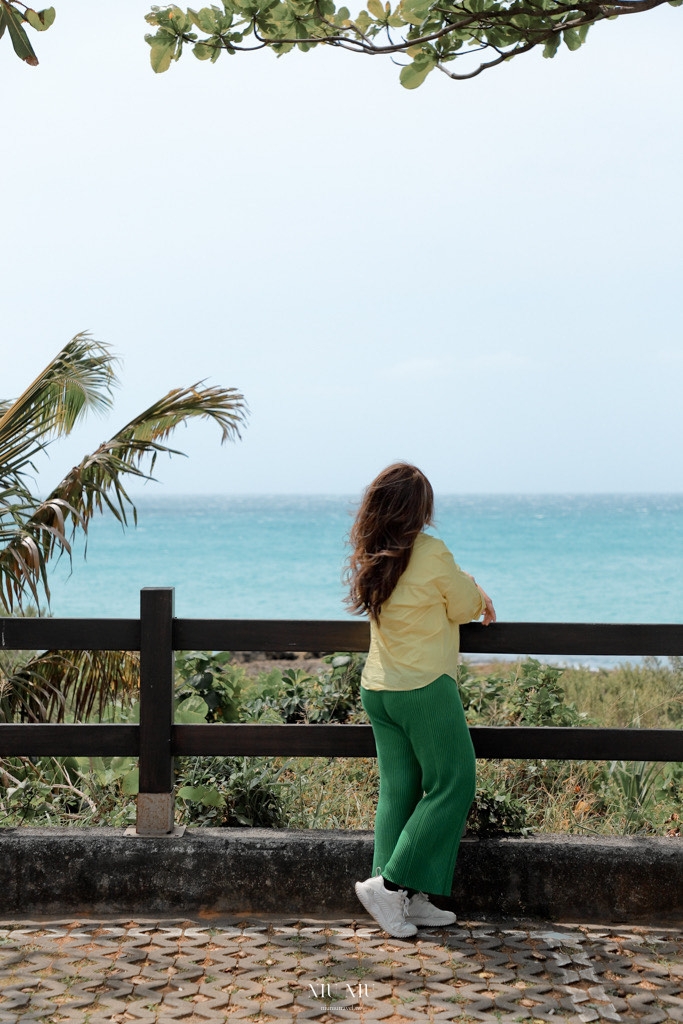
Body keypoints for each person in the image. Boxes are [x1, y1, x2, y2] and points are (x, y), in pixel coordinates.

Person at [347, 463, 496, 938]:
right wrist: (478, 589)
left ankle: (407, 899)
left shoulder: (372, 554)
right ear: (419, 509)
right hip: (423, 688)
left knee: (400, 791)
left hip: (379, 689)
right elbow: (465, 606)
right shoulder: (431, 552)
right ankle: (389, 887)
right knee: (454, 782)